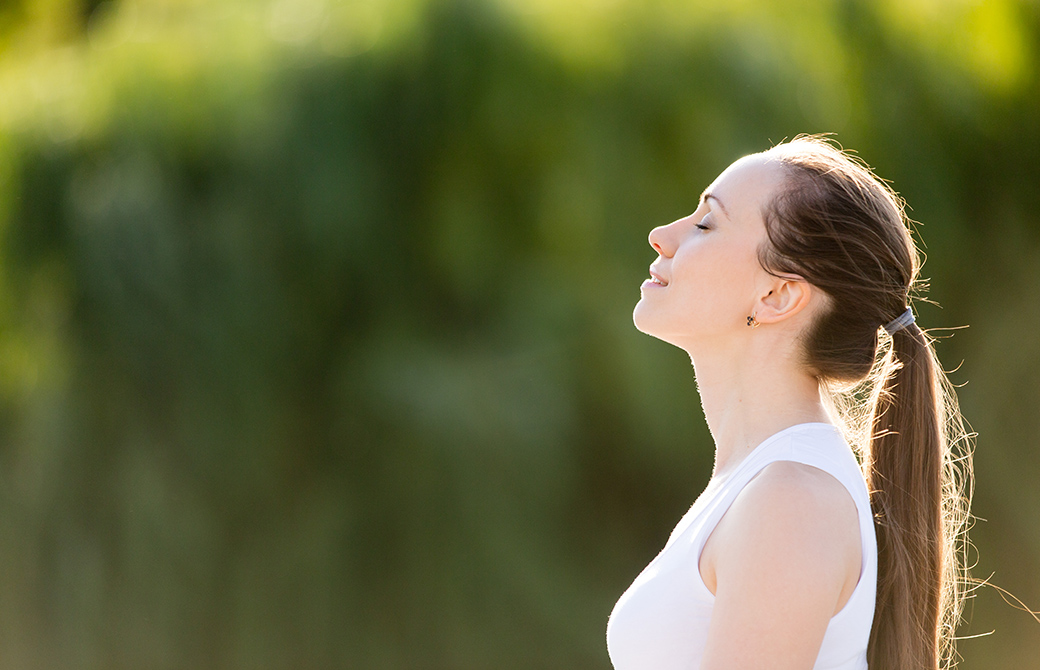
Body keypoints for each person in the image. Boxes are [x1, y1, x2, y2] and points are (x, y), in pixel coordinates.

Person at [606, 136, 973, 670]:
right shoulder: (763, 485)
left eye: (706, 223)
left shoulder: (791, 499)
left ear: (777, 296)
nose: (662, 236)